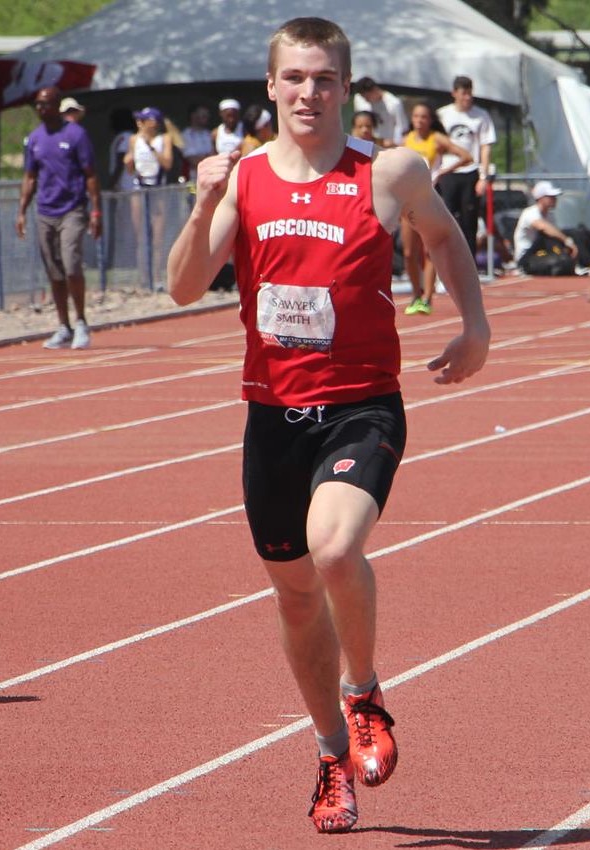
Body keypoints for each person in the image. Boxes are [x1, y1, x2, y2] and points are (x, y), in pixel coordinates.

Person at [164, 16, 489, 834]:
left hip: (361, 406)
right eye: (295, 79)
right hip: (273, 417)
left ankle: (365, 687)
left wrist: (474, 327)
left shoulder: (389, 172)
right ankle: (328, 751)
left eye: (325, 79)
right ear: (271, 88)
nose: (309, 93)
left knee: (337, 547)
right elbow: (182, 286)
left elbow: (444, 238)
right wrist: (205, 201)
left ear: (347, 87)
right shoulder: (242, 181)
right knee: (298, 598)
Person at [14, 87, 101, 349]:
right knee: (54, 271)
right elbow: (30, 177)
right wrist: (21, 210)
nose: (41, 109)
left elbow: (90, 174)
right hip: (45, 211)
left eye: (45, 104)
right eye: (37, 105)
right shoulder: (35, 139)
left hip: (72, 209)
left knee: (72, 263)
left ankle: (82, 321)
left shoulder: (76, 134)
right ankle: (64, 325)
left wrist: (96, 211)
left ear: (56, 105)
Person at [399, 101, 472, 311]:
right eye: (416, 117)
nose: (419, 121)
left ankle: (428, 297)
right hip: (407, 199)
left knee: (429, 249)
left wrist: (442, 172)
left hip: (429, 198)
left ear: (430, 120)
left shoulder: (436, 139)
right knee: (409, 252)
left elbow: (467, 156)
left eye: (423, 117)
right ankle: (415, 295)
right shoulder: (406, 140)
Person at [436, 76, 494, 266]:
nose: (467, 98)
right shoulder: (443, 114)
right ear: (454, 94)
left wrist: (483, 177)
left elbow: (485, 146)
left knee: (469, 221)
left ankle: (468, 265)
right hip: (447, 172)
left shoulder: (481, 115)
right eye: (463, 94)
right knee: (446, 219)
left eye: (470, 93)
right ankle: (445, 265)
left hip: (471, 172)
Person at [511, 180, 579, 274]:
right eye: (551, 197)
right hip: (526, 257)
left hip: (542, 252)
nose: (555, 199)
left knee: (574, 238)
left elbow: (555, 234)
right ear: (541, 198)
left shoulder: (550, 215)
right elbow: (544, 227)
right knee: (558, 263)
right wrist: (567, 241)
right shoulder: (530, 213)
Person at [352, 77, 407, 146]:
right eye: (364, 97)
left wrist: (395, 142)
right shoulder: (359, 99)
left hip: (387, 145)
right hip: (365, 143)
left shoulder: (394, 103)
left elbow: (401, 127)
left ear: (374, 90)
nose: (366, 100)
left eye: (367, 97)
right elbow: (357, 123)